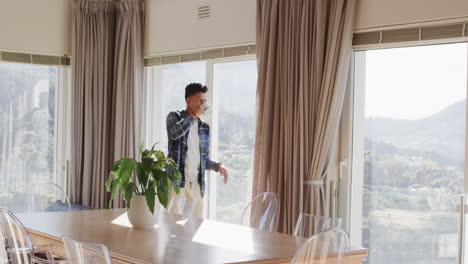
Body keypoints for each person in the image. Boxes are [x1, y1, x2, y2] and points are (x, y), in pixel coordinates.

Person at [166, 83, 228, 218]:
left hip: (197, 185)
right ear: (188, 100)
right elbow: (174, 134)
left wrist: (217, 166)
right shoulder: (174, 116)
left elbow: (203, 159)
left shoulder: (204, 127)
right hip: (177, 183)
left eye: (204, 101)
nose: (203, 104)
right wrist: (193, 117)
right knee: (170, 225)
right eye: (200, 100)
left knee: (193, 228)